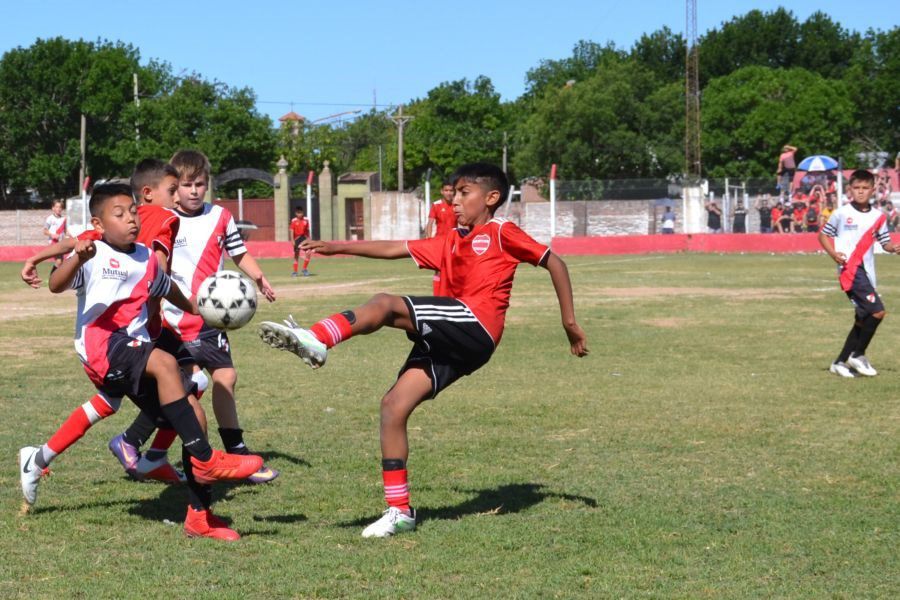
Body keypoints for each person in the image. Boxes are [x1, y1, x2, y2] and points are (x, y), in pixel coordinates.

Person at [258, 163, 588, 538]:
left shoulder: (501, 231)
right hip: (456, 342)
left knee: (385, 303)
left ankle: (317, 337)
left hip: (475, 325)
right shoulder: (450, 239)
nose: (455, 200)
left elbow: (554, 263)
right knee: (393, 406)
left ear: (492, 198)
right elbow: (395, 248)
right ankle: (400, 511)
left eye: (465, 193)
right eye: (455, 193)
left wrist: (569, 323)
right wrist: (336, 246)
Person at [18, 182, 263, 540]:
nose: (131, 219)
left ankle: (199, 517)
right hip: (102, 347)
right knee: (165, 363)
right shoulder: (95, 252)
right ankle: (207, 460)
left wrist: (210, 310)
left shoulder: (146, 258)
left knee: (194, 412)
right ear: (98, 224)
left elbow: (171, 291)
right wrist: (76, 259)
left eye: (132, 212)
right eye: (119, 214)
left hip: (132, 348)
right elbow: (56, 284)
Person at [21, 161, 194, 484]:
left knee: (110, 401)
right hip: (113, 343)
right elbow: (76, 253)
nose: (180, 196)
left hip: (136, 336)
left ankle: (39, 457)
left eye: (133, 212)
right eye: (173, 190)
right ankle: (174, 460)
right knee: (185, 389)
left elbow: (160, 281)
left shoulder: (133, 233)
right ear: (150, 193)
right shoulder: (167, 220)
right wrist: (54, 259)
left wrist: (195, 307)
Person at [157, 149, 279, 484]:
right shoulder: (164, 219)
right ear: (174, 187)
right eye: (186, 185)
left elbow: (238, 253)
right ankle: (194, 459)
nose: (194, 191)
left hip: (213, 320)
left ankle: (237, 454)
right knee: (190, 390)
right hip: (175, 318)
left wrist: (258, 277)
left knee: (226, 379)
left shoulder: (221, 217)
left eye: (200, 184)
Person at [818, 169, 900, 378]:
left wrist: (894, 247)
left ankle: (839, 362)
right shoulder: (841, 213)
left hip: (868, 272)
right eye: (856, 188)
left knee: (862, 318)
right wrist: (834, 254)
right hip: (850, 270)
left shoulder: (878, 217)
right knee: (877, 312)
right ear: (849, 190)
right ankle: (858, 354)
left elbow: (885, 243)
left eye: (865, 188)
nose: (861, 192)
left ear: (873, 190)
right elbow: (823, 235)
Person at [42, 199, 68, 269]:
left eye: (60, 207)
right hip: (53, 242)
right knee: (59, 261)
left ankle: (56, 278)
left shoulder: (64, 219)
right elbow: (45, 231)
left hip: (61, 242)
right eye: (56, 207)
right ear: (53, 208)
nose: (58, 209)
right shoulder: (50, 219)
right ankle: (52, 278)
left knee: (60, 261)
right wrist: (52, 235)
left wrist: (68, 236)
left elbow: (65, 231)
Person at [290, 205, 312, 277]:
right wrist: (292, 240)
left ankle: (304, 269)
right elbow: (291, 231)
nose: (299, 214)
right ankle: (295, 271)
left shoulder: (306, 220)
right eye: (298, 213)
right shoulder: (294, 221)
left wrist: (309, 238)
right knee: (296, 255)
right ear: (296, 213)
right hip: (297, 239)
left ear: (303, 212)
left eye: (301, 212)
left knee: (308, 252)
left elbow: (307, 230)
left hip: (304, 238)